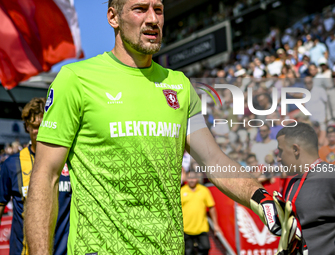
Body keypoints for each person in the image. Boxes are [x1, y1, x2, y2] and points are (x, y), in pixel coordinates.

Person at [24, 0, 299, 254]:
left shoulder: (180, 85)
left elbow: (214, 162)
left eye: (158, 9)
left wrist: (259, 196)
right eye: (140, 9)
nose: (153, 19)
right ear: (113, 17)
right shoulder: (76, 80)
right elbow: (45, 175)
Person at [0, 98, 71, 255]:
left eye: (44, 126)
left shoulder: (69, 161)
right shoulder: (11, 165)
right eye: (35, 127)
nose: (40, 132)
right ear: (26, 127)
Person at [277, 122, 335, 254]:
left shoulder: (334, 177)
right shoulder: (293, 182)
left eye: (281, 151)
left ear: (295, 149)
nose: (278, 158)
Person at [181, 171, 221, 255]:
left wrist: (216, 225)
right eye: (190, 178)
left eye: (193, 178)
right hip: (186, 228)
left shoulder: (204, 190)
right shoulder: (181, 191)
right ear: (187, 179)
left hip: (201, 227)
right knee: (188, 252)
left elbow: (211, 207)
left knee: (206, 248)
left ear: (197, 179)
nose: (192, 180)